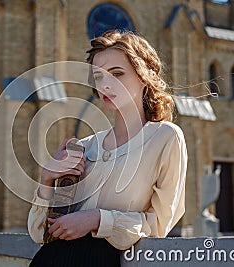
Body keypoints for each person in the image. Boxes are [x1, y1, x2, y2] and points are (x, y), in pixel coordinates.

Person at [27, 30, 187, 267]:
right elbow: (40, 233)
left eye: (118, 74)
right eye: (99, 77)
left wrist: (98, 219)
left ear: (145, 76)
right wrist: (47, 179)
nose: (106, 85)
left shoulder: (166, 137)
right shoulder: (83, 147)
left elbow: (159, 225)